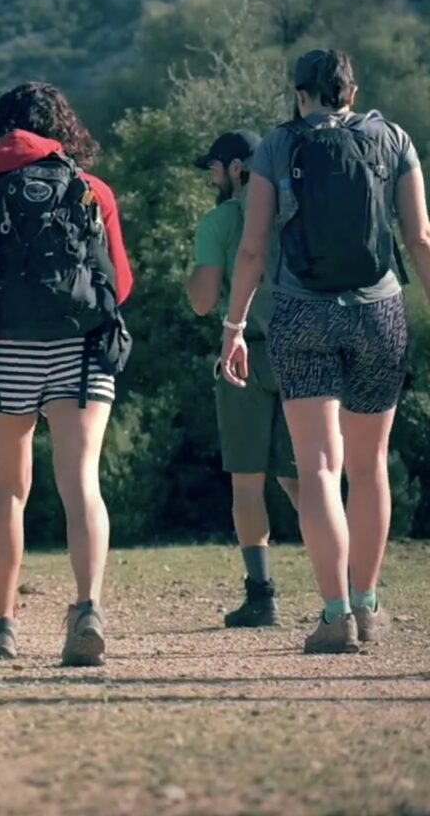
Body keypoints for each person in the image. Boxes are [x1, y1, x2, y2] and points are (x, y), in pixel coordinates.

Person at [219, 49, 427, 654]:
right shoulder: (394, 139)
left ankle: (334, 614)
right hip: (380, 312)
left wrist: (234, 326)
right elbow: (418, 237)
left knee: (318, 469)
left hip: (300, 313)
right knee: (370, 467)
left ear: (300, 94)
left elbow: (253, 249)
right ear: (352, 92)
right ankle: (367, 604)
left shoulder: (277, 147)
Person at [0, 82, 133, 667]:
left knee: (9, 486)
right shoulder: (91, 189)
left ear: (1, 127)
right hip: (81, 350)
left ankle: (2, 626)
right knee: (82, 482)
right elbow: (120, 284)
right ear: (64, 128)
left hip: (11, 352)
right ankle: (88, 612)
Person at [186, 131, 301, 627]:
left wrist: (192, 274)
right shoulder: (293, 217)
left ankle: (262, 596)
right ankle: (342, 594)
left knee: (248, 484)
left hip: (246, 356)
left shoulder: (221, 220)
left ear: (235, 169)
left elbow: (202, 301)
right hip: (304, 354)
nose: (209, 176)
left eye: (213, 167)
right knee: (307, 480)